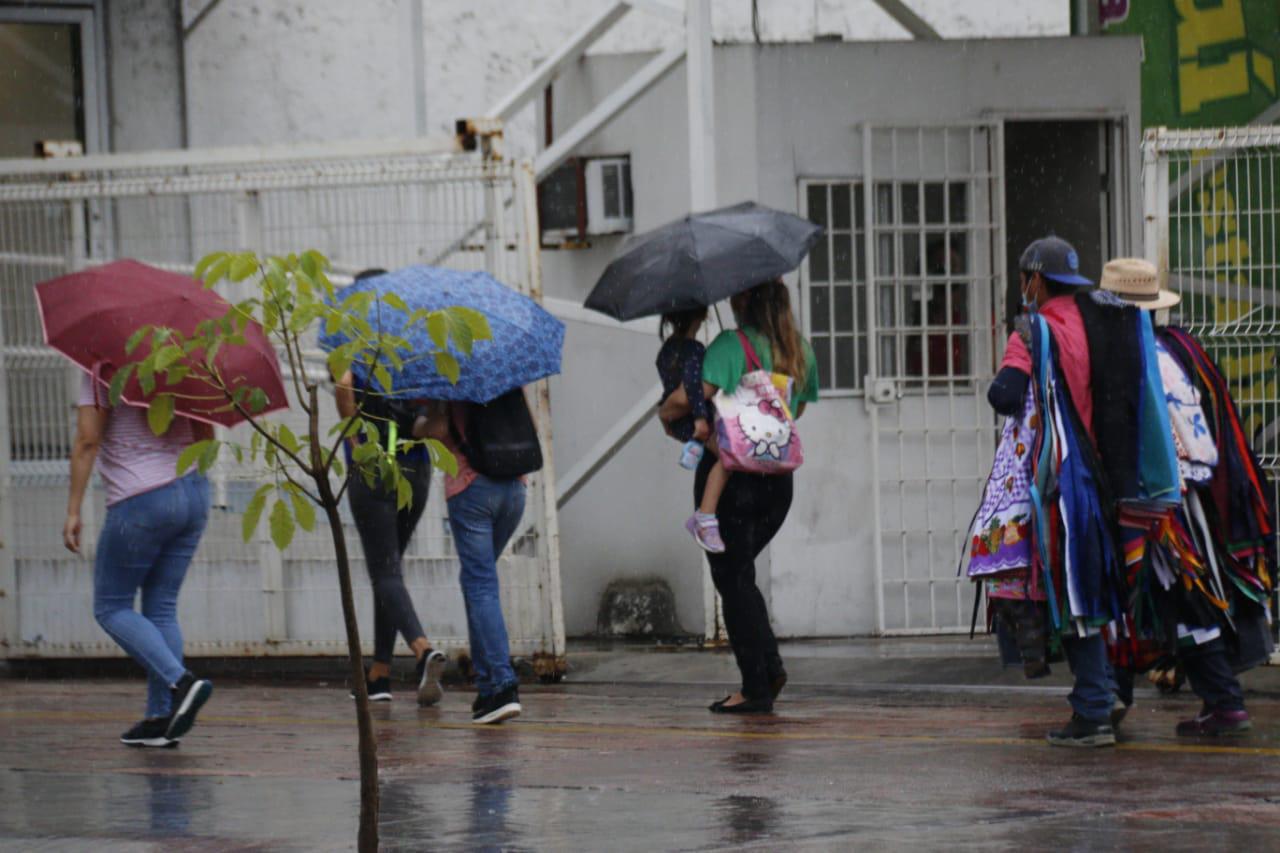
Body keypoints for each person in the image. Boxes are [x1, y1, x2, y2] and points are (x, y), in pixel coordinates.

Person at [1100, 257, 1271, 737]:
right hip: (1194, 490)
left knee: (1162, 594)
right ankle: (1115, 697)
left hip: (1158, 501)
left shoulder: (1130, 358)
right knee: (1162, 596)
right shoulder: (1177, 349)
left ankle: (1221, 703)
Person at [984, 235, 1124, 748]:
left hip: (1057, 485)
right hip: (1101, 473)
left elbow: (1006, 395)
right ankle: (1106, 694)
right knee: (1094, 587)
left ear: (1035, 281)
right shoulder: (1095, 322)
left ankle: (1092, 710)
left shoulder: (1033, 330)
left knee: (1070, 593)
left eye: (1025, 280)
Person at [659, 278, 819, 714]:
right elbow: (795, 409)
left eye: (736, 294)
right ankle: (768, 668)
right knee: (740, 575)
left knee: (732, 581)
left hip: (732, 477)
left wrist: (667, 412)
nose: (729, 300)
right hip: (778, 481)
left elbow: (686, 400)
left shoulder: (730, 345)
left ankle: (755, 687)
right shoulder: (799, 349)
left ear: (748, 300)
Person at [64, 369, 215, 748]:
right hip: (193, 491)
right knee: (161, 608)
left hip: (140, 498)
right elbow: (206, 435)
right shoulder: (186, 360)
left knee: (111, 607)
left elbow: (87, 440)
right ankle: (161, 719)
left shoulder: (102, 368)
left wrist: (73, 510)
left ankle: (182, 683)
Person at [336, 268, 446, 706]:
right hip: (416, 472)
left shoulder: (356, 358)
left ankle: (422, 651)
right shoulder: (417, 358)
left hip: (372, 471)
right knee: (391, 569)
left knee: (383, 572)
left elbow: (347, 410)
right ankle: (379, 674)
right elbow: (432, 425)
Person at [425, 396, 530, 725]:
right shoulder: (505, 368)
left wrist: (418, 426)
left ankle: (501, 685)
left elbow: (439, 429)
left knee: (480, 582)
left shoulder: (449, 371)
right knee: (476, 580)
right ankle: (487, 689)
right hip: (514, 487)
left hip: (472, 486)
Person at [655, 306, 729, 553]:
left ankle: (706, 513)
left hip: (677, 423)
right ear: (701, 315)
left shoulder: (666, 351)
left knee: (708, 455)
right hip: (696, 420)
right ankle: (705, 517)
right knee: (727, 457)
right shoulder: (695, 350)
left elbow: (671, 387)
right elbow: (693, 388)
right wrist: (699, 418)